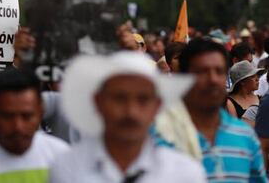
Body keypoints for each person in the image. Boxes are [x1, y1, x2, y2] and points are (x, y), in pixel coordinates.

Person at [51, 52, 206, 183]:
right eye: (119, 98)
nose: (131, 111)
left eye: (143, 99)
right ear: (98, 102)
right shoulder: (67, 167)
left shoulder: (185, 174)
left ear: (157, 106)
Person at [178, 38, 266, 182]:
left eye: (219, 71)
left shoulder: (246, 136)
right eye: (202, 71)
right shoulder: (165, 136)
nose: (213, 79)